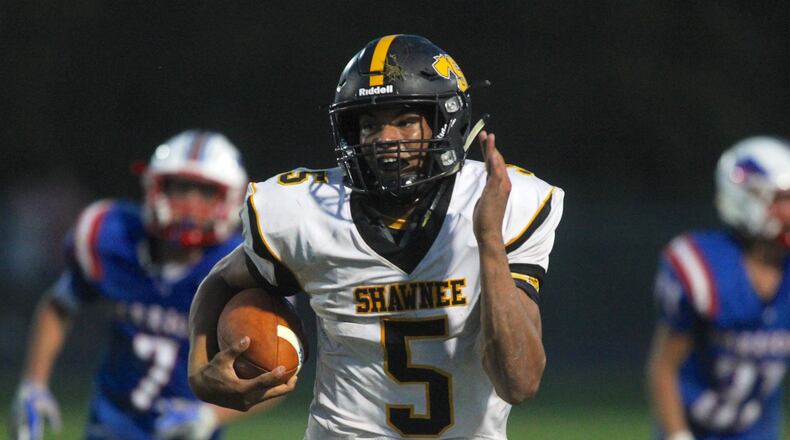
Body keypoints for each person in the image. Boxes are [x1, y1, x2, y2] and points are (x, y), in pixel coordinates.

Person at [188, 34, 565, 439]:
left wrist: (489, 239)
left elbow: (519, 382)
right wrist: (199, 372)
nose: (385, 140)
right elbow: (222, 279)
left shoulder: (503, 202)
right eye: (370, 124)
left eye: (404, 121)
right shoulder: (307, 213)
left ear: (444, 122)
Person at [8, 130, 272, 440]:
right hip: (110, 426)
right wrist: (33, 384)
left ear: (230, 197)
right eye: (181, 187)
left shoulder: (242, 269)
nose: (190, 203)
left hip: (185, 432)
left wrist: (210, 415)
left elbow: (275, 375)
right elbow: (59, 305)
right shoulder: (115, 237)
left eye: (205, 192)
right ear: (155, 186)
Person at [647, 136, 790, 440]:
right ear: (746, 199)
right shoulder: (704, 267)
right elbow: (664, 367)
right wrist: (678, 436)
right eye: (781, 199)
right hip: (694, 426)